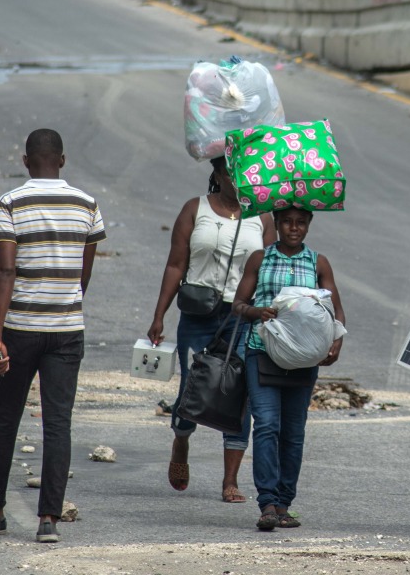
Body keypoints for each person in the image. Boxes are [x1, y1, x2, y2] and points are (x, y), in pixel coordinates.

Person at [0, 129, 105, 544]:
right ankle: (48, 519)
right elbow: (83, 273)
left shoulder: (10, 203)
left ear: (26, 161)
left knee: (6, 418)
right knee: (58, 423)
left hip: (21, 330)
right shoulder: (87, 204)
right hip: (67, 331)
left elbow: (6, 269)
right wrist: (65, 303)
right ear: (62, 160)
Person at [146, 157, 274, 501]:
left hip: (242, 317)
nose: (238, 179)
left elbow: (269, 271)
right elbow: (176, 265)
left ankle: (229, 480)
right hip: (198, 314)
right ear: (217, 173)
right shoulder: (195, 209)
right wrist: (159, 315)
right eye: (231, 172)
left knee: (239, 393)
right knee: (193, 387)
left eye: (245, 172)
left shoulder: (262, 217)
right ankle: (181, 439)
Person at [231, 207, 346, 531]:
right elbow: (238, 304)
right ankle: (267, 503)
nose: (294, 228)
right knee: (267, 425)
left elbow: (336, 311)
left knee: (293, 433)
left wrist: (336, 341)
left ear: (308, 225)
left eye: (301, 222)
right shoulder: (260, 258)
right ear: (277, 224)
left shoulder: (318, 263)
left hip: (304, 358)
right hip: (262, 351)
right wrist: (257, 312)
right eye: (287, 222)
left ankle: (284, 504)